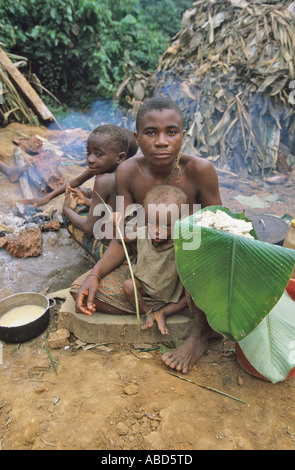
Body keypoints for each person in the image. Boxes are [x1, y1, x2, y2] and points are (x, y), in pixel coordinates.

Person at [71, 95, 222, 373]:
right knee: (81, 290)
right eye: (151, 132)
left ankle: (200, 333)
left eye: (171, 132)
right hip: (149, 262)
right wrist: (95, 275)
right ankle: (170, 306)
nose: (162, 141)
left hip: (193, 265)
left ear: (182, 136)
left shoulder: (200, 170)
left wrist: (183, 237)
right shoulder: (128, 171)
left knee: (200, 250)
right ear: (137, 137)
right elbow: (126, 239)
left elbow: (219, 235)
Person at [62, 124, 138, 261]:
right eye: (88, 153)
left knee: (74, 211)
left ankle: (94, 256)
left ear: (120, 157)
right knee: (86, 195)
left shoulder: (104, 181)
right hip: (130, 246)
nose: (90, 159)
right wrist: (88, 202)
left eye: (98, 154)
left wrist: (66, 209)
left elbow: (89, 227)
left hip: (110, 252)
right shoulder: (134, 172)